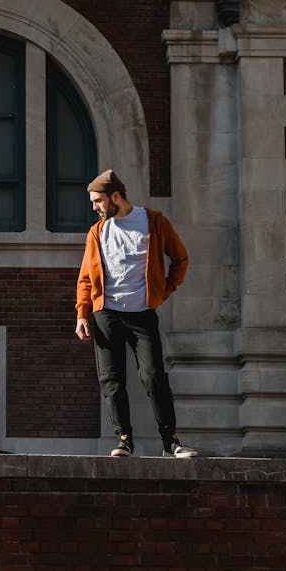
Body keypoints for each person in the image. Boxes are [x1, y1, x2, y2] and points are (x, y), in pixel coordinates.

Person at [75, 169, 197, 459]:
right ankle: (125, 440)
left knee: (153, 375)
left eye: (99, 201)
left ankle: (171, 442)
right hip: (107, 314)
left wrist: (162, 292)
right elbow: (85, 278)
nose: (95, 207)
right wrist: (82, 313)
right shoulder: (98, 232)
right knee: (111, 380)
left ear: (116, 196)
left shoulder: (154, 223)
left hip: (142, 314)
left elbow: (180, 259)